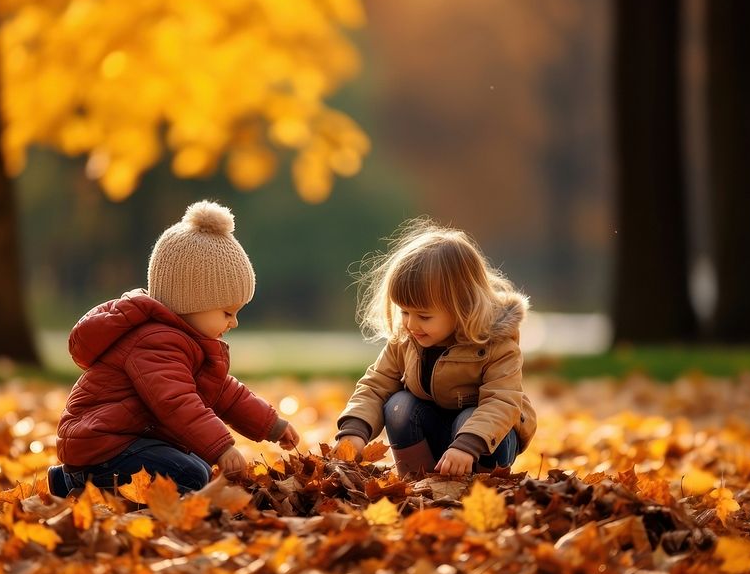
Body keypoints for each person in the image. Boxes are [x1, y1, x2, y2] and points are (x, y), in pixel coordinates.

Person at [48, 200, 300, 498]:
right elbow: (177, 402)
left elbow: (224, 392)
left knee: (199, 467)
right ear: (191, 302)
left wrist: (271, 425)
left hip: (127, 442)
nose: (234, 322)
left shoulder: (185, 340)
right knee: (191, 473)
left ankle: (71, 482)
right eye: (227, 312)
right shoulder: (155, 342)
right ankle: (86, 483)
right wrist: (222, 446)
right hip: (105, 445)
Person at [334, 218, 536, 478]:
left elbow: (502, 401)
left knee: (469, 418)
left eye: (424, 316)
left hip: (485, 440)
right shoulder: (406, 340)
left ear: (462, 307)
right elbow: (376, 386)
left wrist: (467, 445)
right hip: (436, 436)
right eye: (404, 312)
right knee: (399, 405)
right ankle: (418, 480)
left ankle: (482, 484)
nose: (410, 324)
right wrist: (354, 430)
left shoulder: (497, 345)